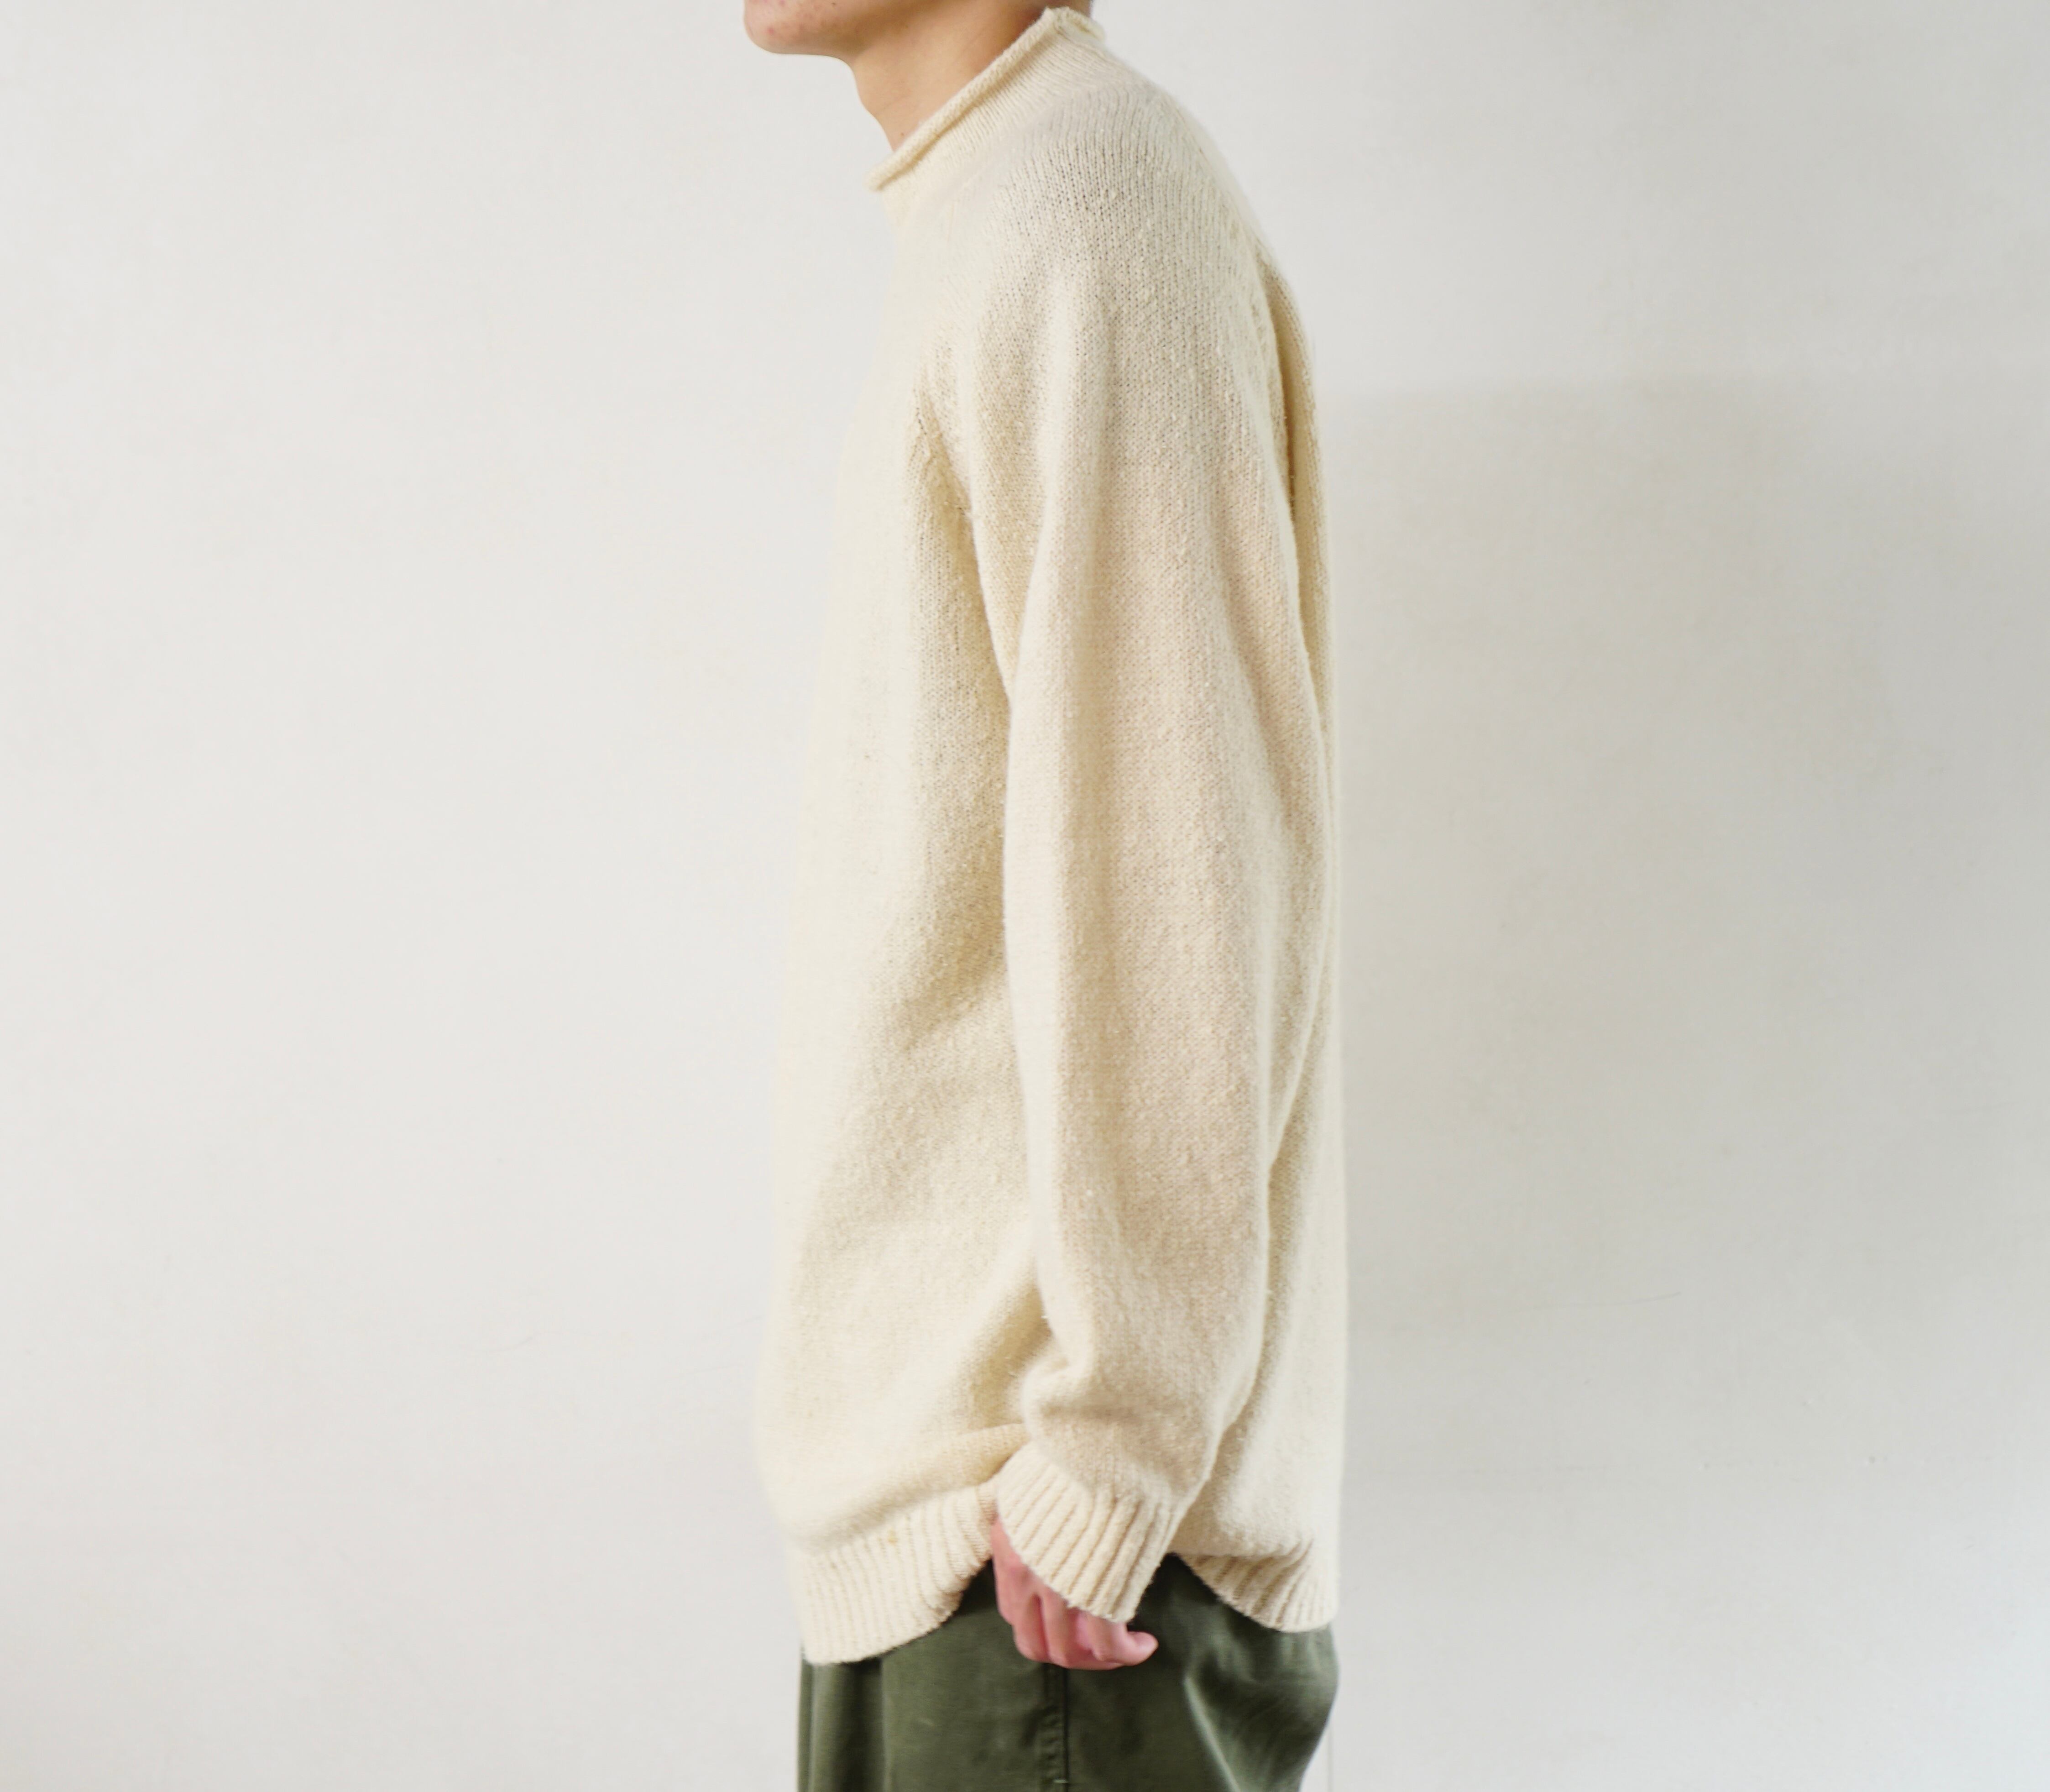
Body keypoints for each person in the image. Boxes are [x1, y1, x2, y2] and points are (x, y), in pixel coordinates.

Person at [743, 2, 1346, 1785]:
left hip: (1050, 1566)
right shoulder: (1002, 203)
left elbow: (1179, 847)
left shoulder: (1084, 205)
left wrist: (1111, 1443)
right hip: (976, 1534)